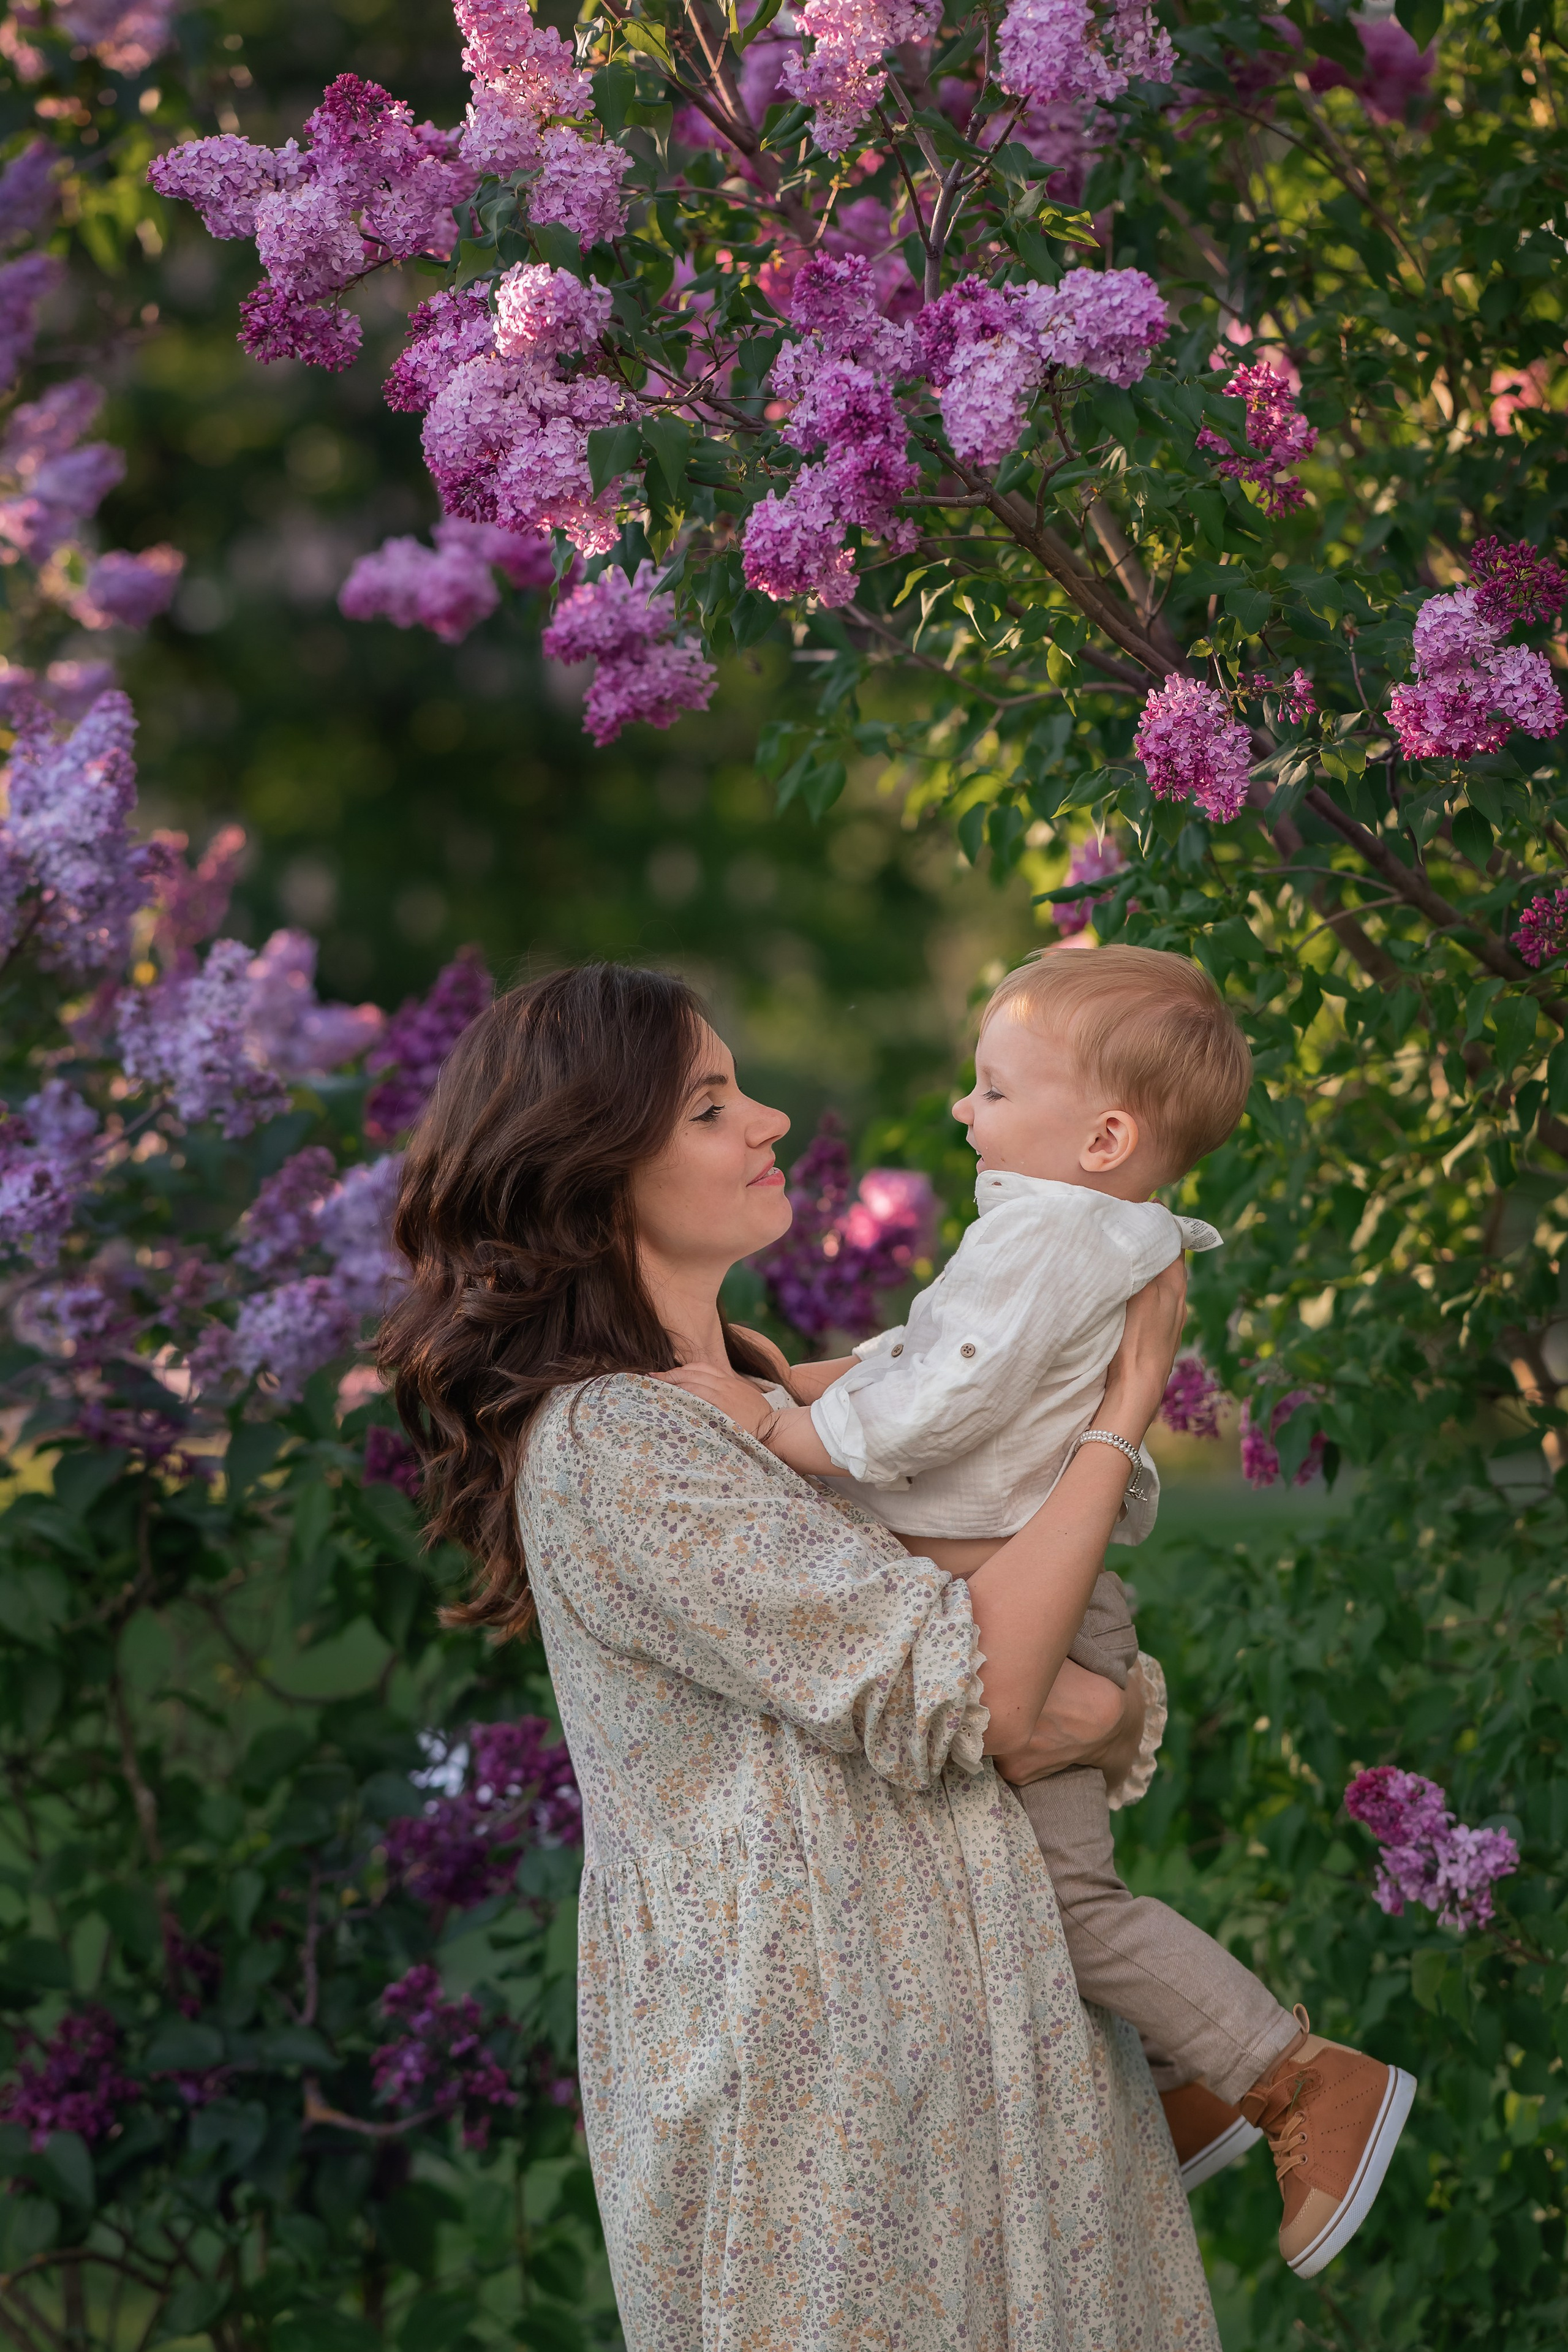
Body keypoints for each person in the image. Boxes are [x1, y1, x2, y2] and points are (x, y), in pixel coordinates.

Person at [379, 962, 1219, 2352]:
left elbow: (1041, 1688)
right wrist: (1120, 1413)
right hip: (820, 2097)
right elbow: (986, 1695)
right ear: (594, 1178)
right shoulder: (621, 1443)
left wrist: (1099, 1709)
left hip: (967, 2048)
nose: (769, 1120)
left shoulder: (769, 1411)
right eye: (711, 1107)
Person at [668, 946, 1415, 2283]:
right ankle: (1190, 2084)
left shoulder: (1052, 1233)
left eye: (994, 1088)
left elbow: (945, 1396)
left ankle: (1294, 2078)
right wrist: (799, 1384)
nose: (965, 1109)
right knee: (1011, 1886)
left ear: (1104, 1136)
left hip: (1043, 1608)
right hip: (1028, 1592)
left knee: (1067, 1903)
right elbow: (932, 1357)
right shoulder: (1064, 1230)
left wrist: (785, 1435)